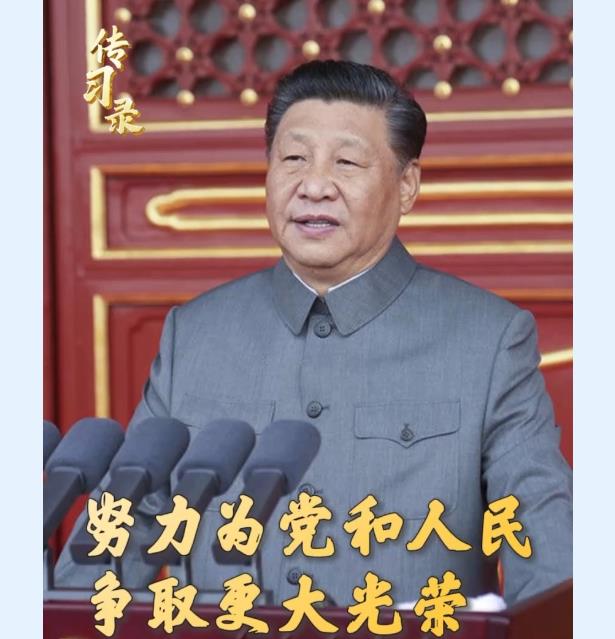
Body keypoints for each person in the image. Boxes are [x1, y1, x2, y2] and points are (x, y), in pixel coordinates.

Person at [56, 60, 571, 608]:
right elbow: (119, 534)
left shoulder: (487, 341)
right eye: (294, 159)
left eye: (346, 162)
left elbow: (547, 552)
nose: (315, 186)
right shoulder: (197, 335)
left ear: (406, 185)